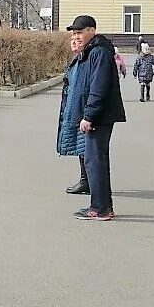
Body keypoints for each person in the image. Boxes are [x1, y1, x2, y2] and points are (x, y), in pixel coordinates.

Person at [66, 15, 127, 221]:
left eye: (80, 32)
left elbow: (98, 87)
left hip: (98, 117)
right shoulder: (90, 52)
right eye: (74, 33)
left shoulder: (99, 52)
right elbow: (77, 80)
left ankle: (100, 209)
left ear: (92, 30)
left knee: (95, 162)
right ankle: (102, 207)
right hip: (95, 116)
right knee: (96, 161)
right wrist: (78, 54)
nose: (77, 36)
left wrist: (89, 115)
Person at [58, 34, 88, 196]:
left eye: (78, 40)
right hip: (74, 108)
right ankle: (86, 180)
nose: (74, 43)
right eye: (72, 40)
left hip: (82, 110)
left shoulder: (84, 60)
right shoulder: (76, 59)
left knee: (86, 148)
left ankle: (87, 181)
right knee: (81, 147)